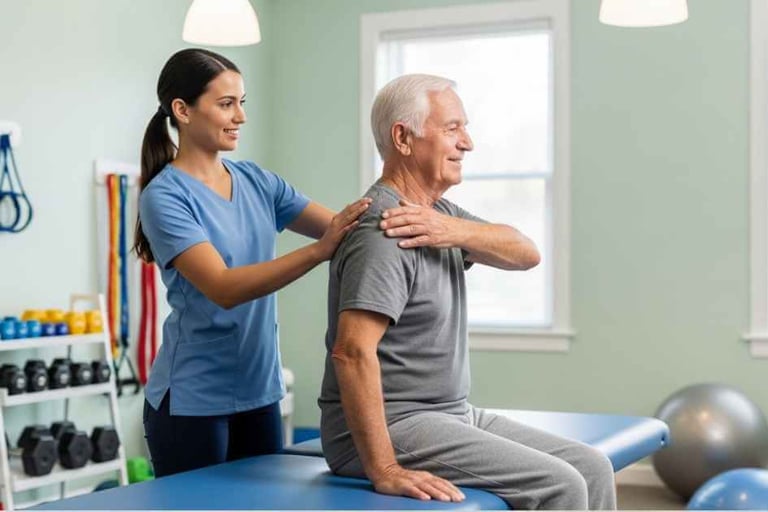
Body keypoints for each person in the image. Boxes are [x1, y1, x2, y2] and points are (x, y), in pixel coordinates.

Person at [319, 74, 617, 510]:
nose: (468, 143)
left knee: (592, 466)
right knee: (562, 484)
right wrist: (384, 468)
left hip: (450, 413)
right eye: (452, 128)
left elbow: (526, 253)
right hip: (391, 424)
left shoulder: (436, 216)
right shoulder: (386, 230)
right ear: (403, 138)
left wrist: (453, 230)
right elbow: (351, 352)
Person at [134, 48, 372, 477]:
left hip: (260, 392)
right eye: (226, 104)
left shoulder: (258, 181)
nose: (240, 117)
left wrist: (427, 227)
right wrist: (318, 252)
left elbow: (345, 229)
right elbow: (223, 287)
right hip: (192, 402)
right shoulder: (164, 196)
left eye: (242, 103)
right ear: (182, 110)